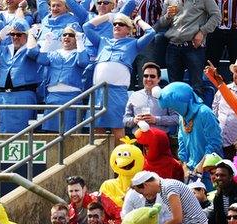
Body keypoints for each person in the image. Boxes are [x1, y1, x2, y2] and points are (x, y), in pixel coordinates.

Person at [83, 13, 155, 144]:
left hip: (117, 92)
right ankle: (101, 161)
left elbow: (151, 33)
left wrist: (138, 20)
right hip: (98, 91)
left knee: (118, 128)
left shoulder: (133, 44)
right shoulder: (102, 41)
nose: (116, 26)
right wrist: (107, 16)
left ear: (128, 29)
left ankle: (122, 162)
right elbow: (86, 27)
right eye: (115, 24)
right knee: (97, 128)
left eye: (121, 24)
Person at [153, 82, 223, 188]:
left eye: (176, 106)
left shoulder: (205, 113)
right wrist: (184, 165)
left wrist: (202, 164)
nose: (176, 110)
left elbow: (215, 143)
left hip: (211, 171)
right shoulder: (182, 118)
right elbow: (181, 143)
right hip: (191, 172)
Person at [131, 171, 209, 224]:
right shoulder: (165, 187)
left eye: (142, 193)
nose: (145, 196)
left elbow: (177, 219)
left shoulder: (169, 187)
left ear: (145, 185)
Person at [26, 23, 88, 132]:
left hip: (72, 98)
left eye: (71, 35)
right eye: (64, 35)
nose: (67, 37)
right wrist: (46, 43)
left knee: (70, 133)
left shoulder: (79, 53)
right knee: (50, 132)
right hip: (53, 98)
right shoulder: (54, 53)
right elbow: (41, 60)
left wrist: (80, 42)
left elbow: (83, 62)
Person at [0, 19, 40, 133]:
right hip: (1, 95)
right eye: (12, 34)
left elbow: (33, 52)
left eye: (19, 34)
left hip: (22, 95)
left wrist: (30, 35)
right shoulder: (5, 49)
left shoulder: (30, 48)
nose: (15, 37)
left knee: (18, 132)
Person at [157, 0, 221, 96]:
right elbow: (162, 23)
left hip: (194, 46)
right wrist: (167, 16)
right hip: (173, 46)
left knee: (197, 88)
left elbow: (216, 16)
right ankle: (175, 111)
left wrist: (202, 32)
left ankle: (196, 111)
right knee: (174, 88)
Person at [124, 62, 179, 134]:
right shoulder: (134, 95)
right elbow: (124, 119)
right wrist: (134, 120)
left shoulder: (166, 96)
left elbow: (177, 118)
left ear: (159, 79)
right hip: (138, 139)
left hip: (160, 139)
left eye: (152, 76)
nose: (148, 79)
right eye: (146, 76)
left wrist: (156, 119)